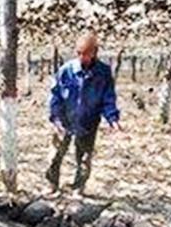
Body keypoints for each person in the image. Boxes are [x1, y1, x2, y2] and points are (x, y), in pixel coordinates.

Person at [46, 33, 121, 194]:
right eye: (78, 53)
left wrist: (112, 119)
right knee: (55, 154)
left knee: (84, 158)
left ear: (95, 52)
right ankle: (52, 185)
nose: (82, 57)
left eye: (86, 53)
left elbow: (108, 97)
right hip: (64, 119)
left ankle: (78, 188)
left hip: (88, 121)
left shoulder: (103, 72)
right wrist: (55, 118)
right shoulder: (66, 70)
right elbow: (55, 95)